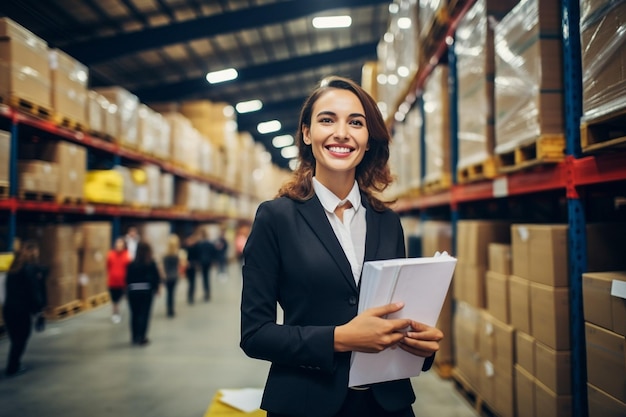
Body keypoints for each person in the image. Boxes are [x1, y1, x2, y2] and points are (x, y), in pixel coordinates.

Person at [240, 76, 443, 417]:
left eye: (356, 122)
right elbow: (256, 335)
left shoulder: (387, 221)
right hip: (307, 404)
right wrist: (340, 338)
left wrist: (422, 345)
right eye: (327, 119)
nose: (342, 133)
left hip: (387, 406)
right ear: (307, 134)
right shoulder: (276, 217)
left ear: (367, 139)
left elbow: (400, 312)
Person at [3, 240, 47, 377]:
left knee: (15, 339)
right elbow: (33, 292)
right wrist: (39, 310)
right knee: (21, 338)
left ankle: (13, 364)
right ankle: (13, 366)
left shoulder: (12, 269)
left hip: (8, 309)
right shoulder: (28, 270)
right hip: (21, 311)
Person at [125, 241, 160, 346]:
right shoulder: (151, 263)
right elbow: (156, 277)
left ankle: (134, 336)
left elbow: (127, 278)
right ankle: (142, 336)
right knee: (144, 314)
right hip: (146, 291)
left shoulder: (131, 264)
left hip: (133, 292)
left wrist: (128, 290)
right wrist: (155, 288)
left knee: (134, 314)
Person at [106, 237, 130, 324]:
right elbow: (108, 266)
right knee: (114, 300)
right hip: (112, 281)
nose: (119, 245)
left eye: (121, 244)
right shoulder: (111, 254)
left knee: (119, 298)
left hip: (122, 282)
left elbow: (129, 267)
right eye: (117, 244)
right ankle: (115, 313)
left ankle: (118, 312)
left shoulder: (127, 255)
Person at [162, 234, 184, 318]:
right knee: (172, 293)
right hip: (174, 276)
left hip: (167, 276)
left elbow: (163, 266)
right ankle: (171, 309)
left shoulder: (165, 255)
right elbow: (181, 265)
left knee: (168, 293)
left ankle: (168, 309)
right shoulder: (177, 254)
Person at [195, 229, 214, 302]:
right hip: (208, 261)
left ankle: (206, 292)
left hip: (202, 262)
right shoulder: (210, 244)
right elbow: (213, 252)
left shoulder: (200, 244)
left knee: (204, 277)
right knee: (207, 277)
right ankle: (207, 292)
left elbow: (197, 254)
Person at [183, 231, 199, 304]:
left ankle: (191, 296)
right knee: (190, 282)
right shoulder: (185, 248)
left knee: (193, 282)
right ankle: (189, 296)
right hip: (188, 267)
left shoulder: (195, 247)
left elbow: (197, 257)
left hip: (193, 266)